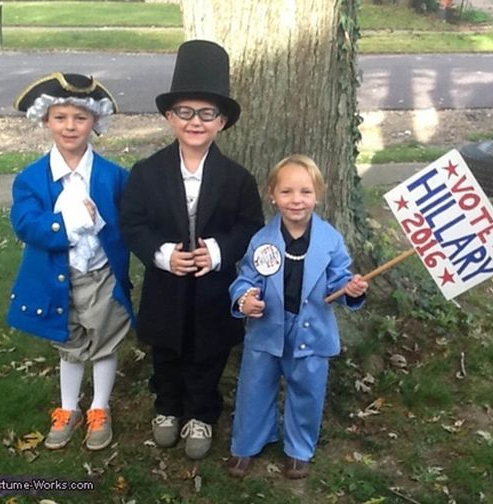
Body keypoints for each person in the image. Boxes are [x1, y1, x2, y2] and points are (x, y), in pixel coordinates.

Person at [119, 40, 264, 460]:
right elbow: (133, 223)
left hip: (213, 286)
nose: (195, 121)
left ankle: (201, 411)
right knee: (165, 348)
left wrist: (218, 251)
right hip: (165, 283)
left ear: (221, 122)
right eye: (185, 112)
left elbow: (250, 225)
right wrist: (161, 254)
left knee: (208, 351)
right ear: (170, 117)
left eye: (206, 114)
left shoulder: (237, 179)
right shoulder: (146, 173)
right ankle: (167, 406)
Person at [7, 72, 135, 451]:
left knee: (105, 342)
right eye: (60, 117)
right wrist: (66, 223)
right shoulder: (31, 178)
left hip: (102, 275)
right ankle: (67, 408)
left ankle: (99, 407)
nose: (70, 126)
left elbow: (130, 223)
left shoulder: (114, 176)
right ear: (46, 120)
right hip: (57, 277)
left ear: (95, 122)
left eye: (80, 118)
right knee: (70, 343)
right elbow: (25, 224)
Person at [226, 154, 368, 479]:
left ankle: (298, 448)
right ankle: (247, 443)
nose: (296, 200)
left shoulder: (331, 241)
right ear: (272, 195)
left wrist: (351, 289)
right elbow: (246, 279)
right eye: (287, 191)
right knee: (254, 387)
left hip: (313, 329)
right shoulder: (262, 240)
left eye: (305, 192)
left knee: (307, 390)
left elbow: (339, 280)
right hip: (267, 327)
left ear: (317, 195)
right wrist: (244, 299)